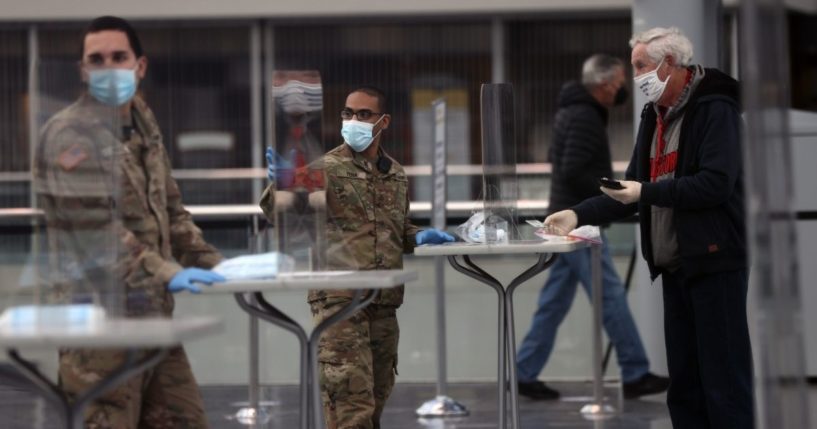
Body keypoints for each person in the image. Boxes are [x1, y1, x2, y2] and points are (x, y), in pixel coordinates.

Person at [545, 27, 753, 428]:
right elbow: (630, 188)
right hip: (675, 266)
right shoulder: (653, 116)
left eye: (641, 66)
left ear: (669, 63)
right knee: (685, 386)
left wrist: (645, 190)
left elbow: (715, 184)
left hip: (714, 261)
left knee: (724, 382)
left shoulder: (715, 109)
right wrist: (578, 214)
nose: (636, 76)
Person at [34, 16, 225, 428]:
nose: (108, 68)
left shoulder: (141, 122)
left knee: (185, 418)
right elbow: (96, 233)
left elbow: (170, 208)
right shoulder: (69, 136)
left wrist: (216, 262)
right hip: (97, 333)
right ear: (84, 71)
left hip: (152, 320)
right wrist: (167, 271)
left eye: (118, 57)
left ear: (140, 65)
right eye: (96, 60)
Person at [260, 86, 454, 429]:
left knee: (376, 400)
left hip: (382, 301)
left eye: (363, 114)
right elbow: (285, 212)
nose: (354, 121)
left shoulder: (394, 173)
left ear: (383, 121)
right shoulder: (326, 168)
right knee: (351, 406)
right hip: (339, 302)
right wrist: (281, 186)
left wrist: (417, 235)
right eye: (348, 114)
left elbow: (395, 226)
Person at [516, 54, 670, 401]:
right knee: (610, 295)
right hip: (577, 223)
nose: (622, 87)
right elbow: (572, 169)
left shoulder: (571, 111)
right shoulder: (584, 116)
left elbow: (561, 162)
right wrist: (608, 190)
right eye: (618, 82)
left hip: (564, 217)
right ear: (603, 85)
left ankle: (524, 372)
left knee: (554, 303)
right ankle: (634, 372)